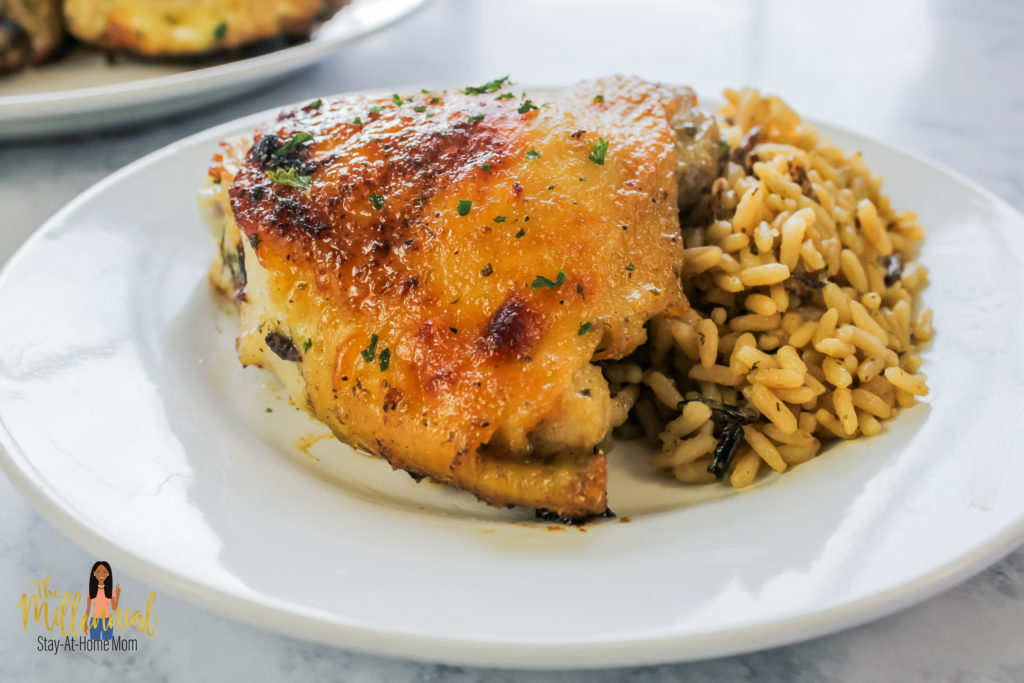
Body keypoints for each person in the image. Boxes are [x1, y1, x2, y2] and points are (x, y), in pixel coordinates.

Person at [82, 561, 120, 640]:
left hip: (107, 620)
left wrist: (118, 595)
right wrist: (85, 623)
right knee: (95, 644)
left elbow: (114, 608)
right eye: (98, 572)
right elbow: (88, 610)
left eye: (104, 572)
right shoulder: (91, 591)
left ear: (108, 574)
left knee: (107, 644)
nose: (101, 575)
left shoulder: (110, 590)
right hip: (95, 621)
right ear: (94, 573)